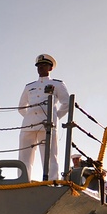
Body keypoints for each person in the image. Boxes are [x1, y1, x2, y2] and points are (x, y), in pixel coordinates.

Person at [18, 53, 70, 181]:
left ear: (50, 68)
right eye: (39, 66)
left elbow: (67, 103)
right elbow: (21, 106)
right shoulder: (29, 86)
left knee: (50, 156)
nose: (40, 68)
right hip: (28, 124)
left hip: (47, 124)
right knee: (24, 157)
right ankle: (22, 180)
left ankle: (51, 181)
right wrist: (30, 116)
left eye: (44, 65)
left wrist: (55, 116)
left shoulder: (57, 84)